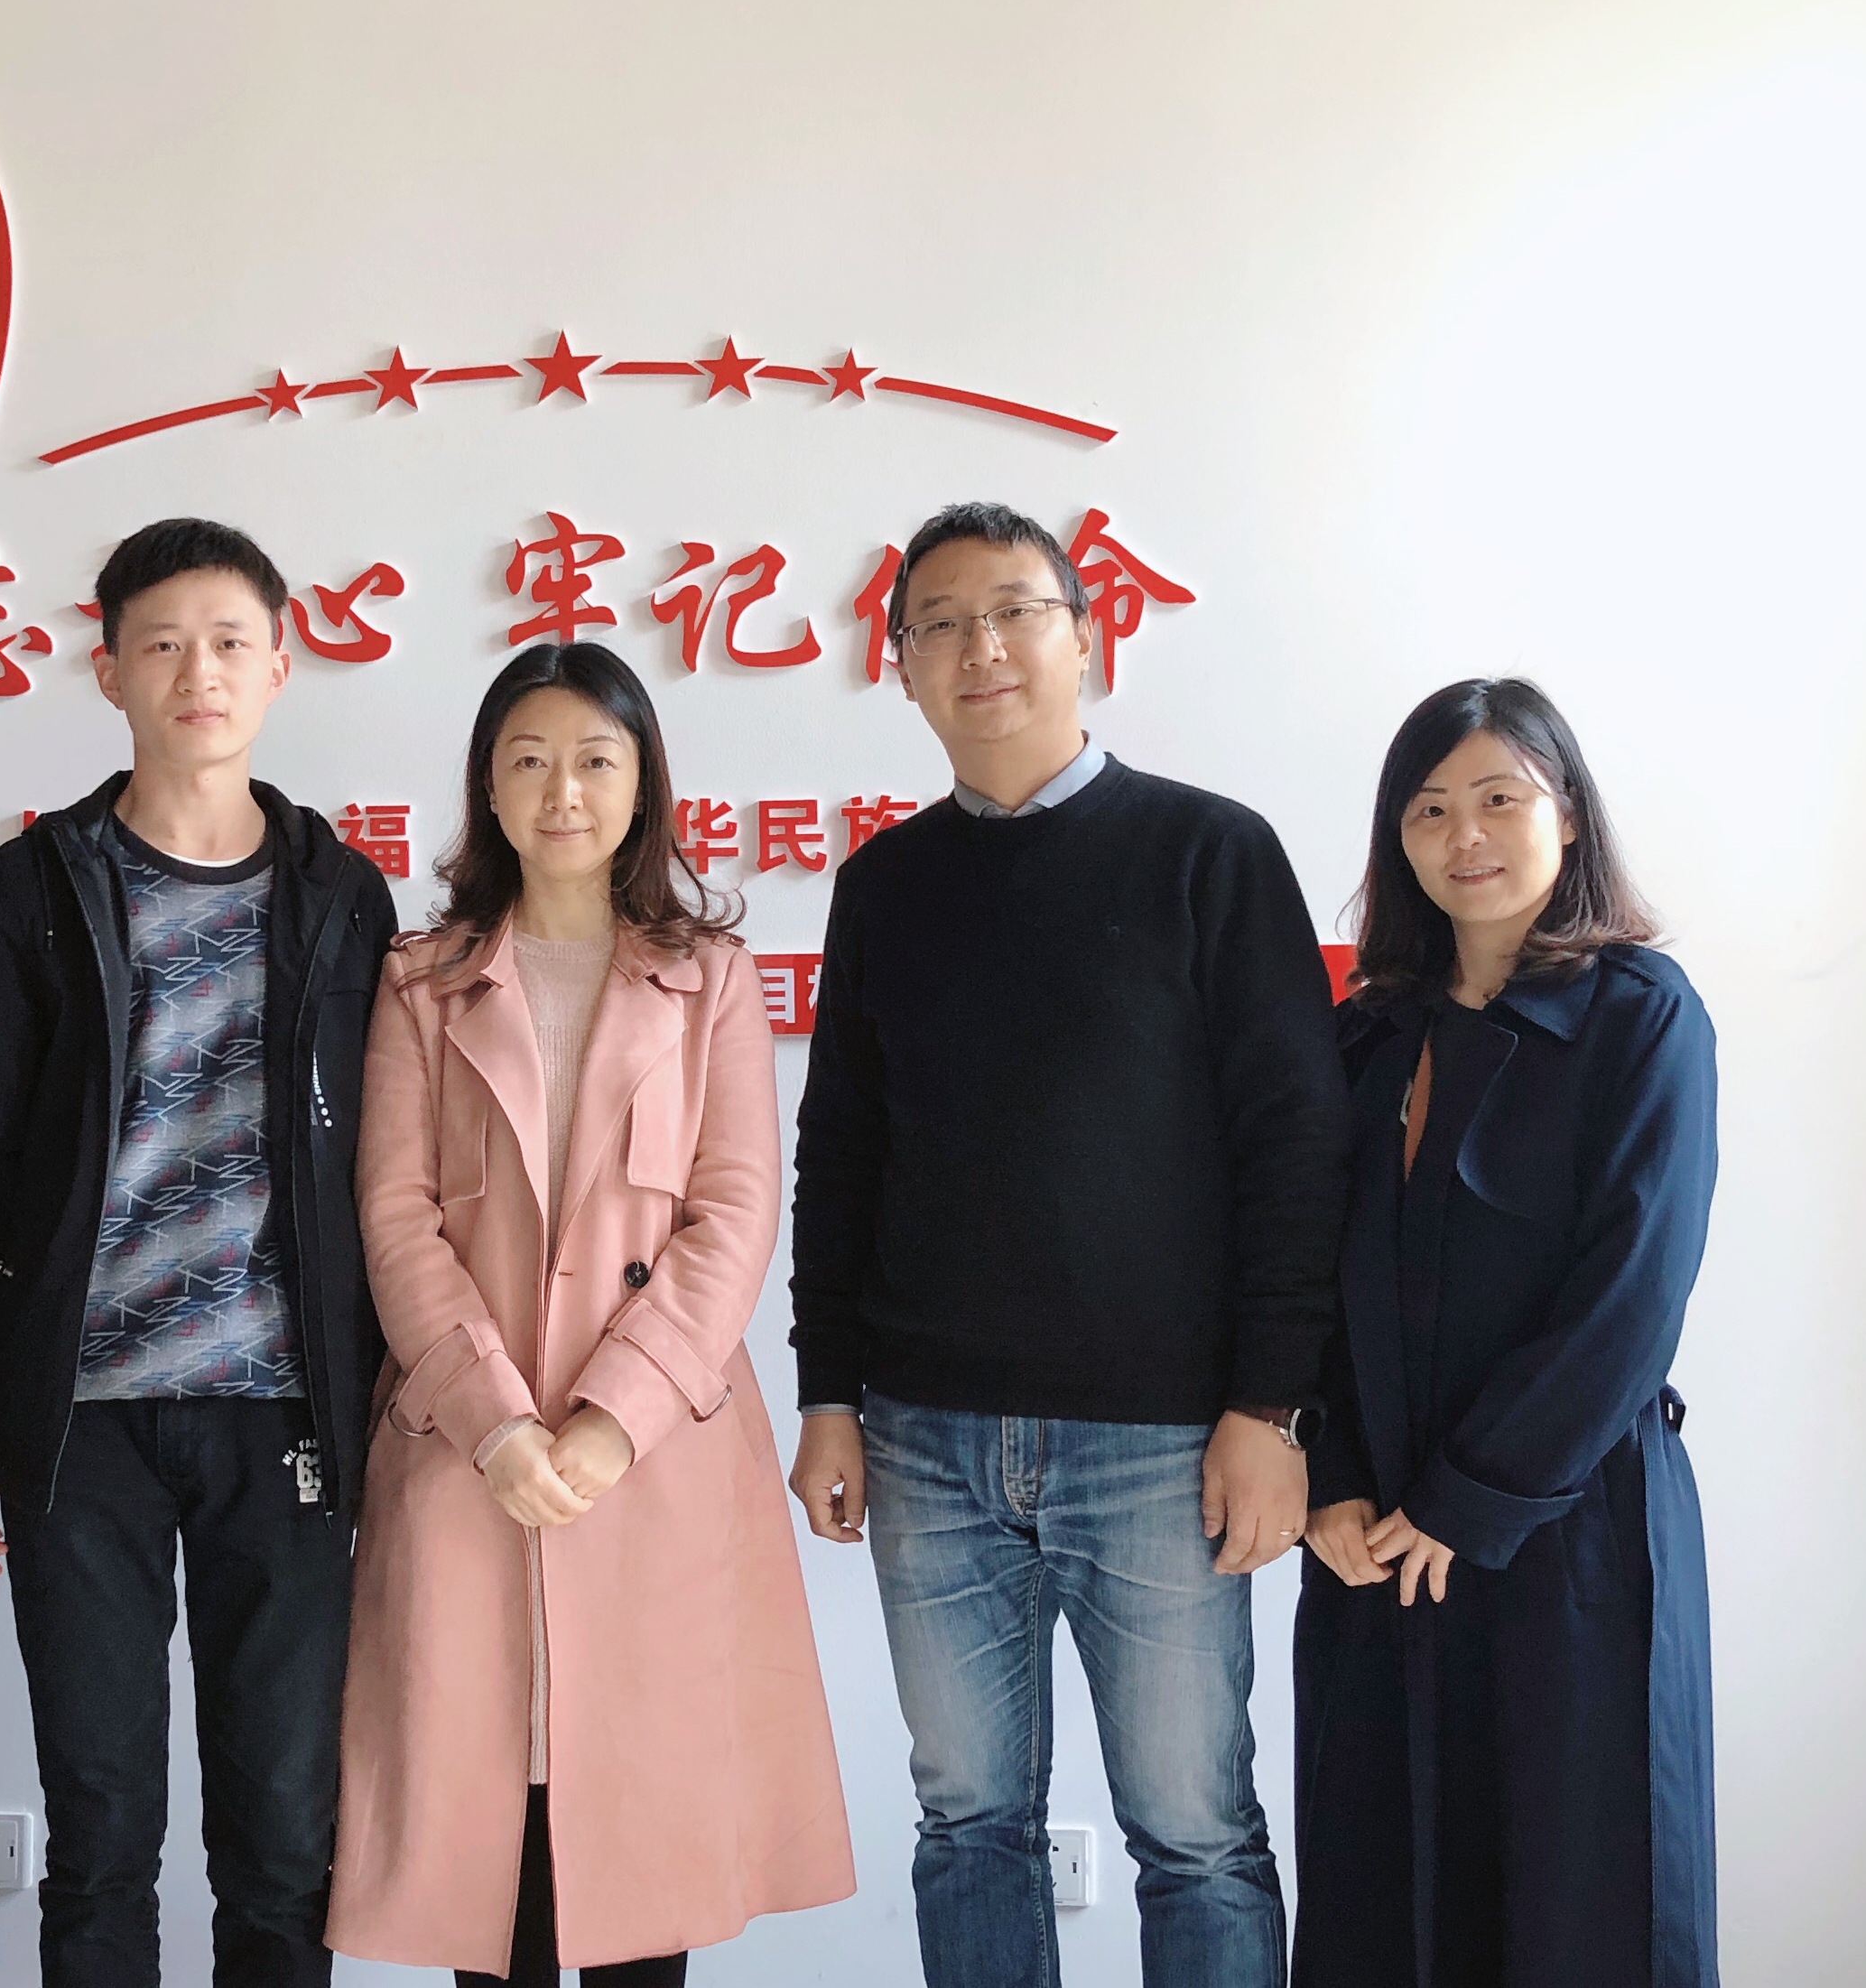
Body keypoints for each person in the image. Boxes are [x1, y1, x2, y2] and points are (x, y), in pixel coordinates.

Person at [784, 499, 1354, 1988]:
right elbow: (840, 1157)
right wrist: (828, 1390)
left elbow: (1298, 1146)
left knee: (1197, 1833)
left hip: (1164, 1441)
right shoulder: (883, 887)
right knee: (968, 1823)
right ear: (903, 666)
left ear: (1085, 640)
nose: (980, 647)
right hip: (926, 1438)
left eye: (1014, 611)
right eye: (941, 624)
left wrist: (1272, 1405)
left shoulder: (1210, 853)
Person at [0, 516, 398, 1988]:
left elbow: (391, 1163)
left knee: (285, 1836)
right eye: (163, 643)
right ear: (107, 669)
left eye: (230, 641)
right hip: (82, 1423)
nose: (199, 672)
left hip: (286, 1414)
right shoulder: (32, 894)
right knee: (101, 1830)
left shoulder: (342, 897)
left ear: (281, 665)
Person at [330, 642, 855, 1988]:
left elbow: (733, 1215)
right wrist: (497, 1423)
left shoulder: (710, 977)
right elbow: (395, 1216)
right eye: (529, 760)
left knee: (640, 1864)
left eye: (594, 760)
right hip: (470, 1460)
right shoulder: (421, 977)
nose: (562, 790)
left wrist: (614, 1419)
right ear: (488, 790)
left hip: (654, 1466)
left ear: (640, 785)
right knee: (486, 1865)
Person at [1292, 678, 1718, 1986]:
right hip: (1374, 1541)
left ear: (1568, 815)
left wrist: (1471, 1497)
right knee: (1381, 1888)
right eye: (1429, 809)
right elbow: (1305, 1275)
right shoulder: (1363, 1035)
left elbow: (1632, 1295)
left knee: (1578, 1900)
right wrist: (1333, 1477)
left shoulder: (1642, 1014)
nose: (1463, 835)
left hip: (1568, 1527)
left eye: (1498, 798)